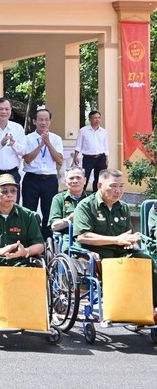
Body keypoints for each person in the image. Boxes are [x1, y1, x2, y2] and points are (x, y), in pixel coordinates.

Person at [72, 168, 157, 321]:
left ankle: (152, 308)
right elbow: (83, 236)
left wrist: (130, 241)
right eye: (113, 186)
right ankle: (117, 310)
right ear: (100, 185)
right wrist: (117, 240)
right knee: (108, 265)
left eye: (121, 186)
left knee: (148, 261)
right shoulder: (85, 206)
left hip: (120, 252)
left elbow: (126, 234)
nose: (118, 191)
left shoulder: (123, 207)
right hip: (96, 254)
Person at [22, 109, 64, 238]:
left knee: (49, 210)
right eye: (40, 119)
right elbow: (27, 159)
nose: (43, 122)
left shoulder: (56, 139)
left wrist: (48, 143)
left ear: (50, 122)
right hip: (32, 178)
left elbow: (59, 160)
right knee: (29, 210)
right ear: (34, 121)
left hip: (49, 179)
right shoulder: (28, 138)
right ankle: (30, 237)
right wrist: (40, 145)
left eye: (46, 120)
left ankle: (48, 239)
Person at [73, 110, 109, 193]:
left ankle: (97, 195)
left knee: (99, 178)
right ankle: (81, 194)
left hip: (101, 157)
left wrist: (107, 159)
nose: (97, 120)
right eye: (95, 118)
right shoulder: (83, 130)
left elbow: (105, 146)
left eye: (99, 118)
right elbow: (78, 144)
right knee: (84, 177)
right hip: (88, 158)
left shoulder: (103, 132)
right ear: (90, 119)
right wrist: (76, 156)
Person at [48, 166, 88, 234]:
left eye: (78, 177)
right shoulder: (58, 199)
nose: (75, 181)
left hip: (90, 236)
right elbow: (54, 226)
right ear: (65, 181)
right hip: (68, 237)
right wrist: (71, 218)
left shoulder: (92, 199)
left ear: (85, 181)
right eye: (71, 178)